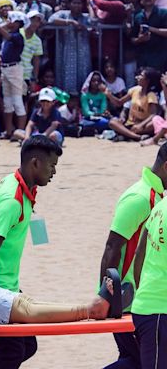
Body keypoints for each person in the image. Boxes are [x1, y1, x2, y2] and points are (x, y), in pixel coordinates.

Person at [0, 135, 63, 369]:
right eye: (51, 166)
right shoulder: (13, 198)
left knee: (27, 345)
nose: (54, 172)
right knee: (11, 351)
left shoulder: (15, 182)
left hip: (5, 282)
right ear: (35, 163)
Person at [99, 143, 167, 368]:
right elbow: (112, 247)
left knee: (134, 360)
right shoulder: (140, 197)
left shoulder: (156, 198)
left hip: (138, 298)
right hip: (128, 300)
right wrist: (106, 298)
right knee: (136, 361)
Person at [132, 179, 167, 368]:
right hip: (158, 311)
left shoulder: (160, 207)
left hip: (150, 307)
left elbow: (140, 254)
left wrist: (142, 292)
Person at [49, 0, 92, 93]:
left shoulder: (85, 17)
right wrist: (70, 22)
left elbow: (94, 21)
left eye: (79, 3)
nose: (77, 5)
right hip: (67, 51)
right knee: (67, 76)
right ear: (69, 4)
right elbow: (51, 20)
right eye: (74, 3)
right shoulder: (63, 14)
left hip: (83, 52)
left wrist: (89, 6)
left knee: (83, 74)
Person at [0, 11, 28, 138]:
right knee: (7, 102)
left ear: (18, 23)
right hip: (5, 69)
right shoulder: (7, 38)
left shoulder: (18, 36)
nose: (9, 22)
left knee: (17, 101)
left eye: (11, 20)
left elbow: (8, 37)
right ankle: (9, 131)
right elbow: (3, 50)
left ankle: (21, 132)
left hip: (14, 69)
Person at [105, 67, 161, 141]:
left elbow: (153, 114)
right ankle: (137, 137)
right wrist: (110, 95)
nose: (137, 77)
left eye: (140, 76)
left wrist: (141, 125)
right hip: (130, 124)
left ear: (147, 80)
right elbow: (119, 103)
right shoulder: (134, 90)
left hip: (143, 125)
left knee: (153, 124)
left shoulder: (151, 95)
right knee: (112, 122)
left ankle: (126, 134)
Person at [131, 0, 167, 73]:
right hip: (143, 59)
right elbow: (132, 38)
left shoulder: (164, 13)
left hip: (161, 59)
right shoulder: (137, 16)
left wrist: (150, 28)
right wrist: (140, 39)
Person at [20, 10, 44, 95]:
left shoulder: (37, 41)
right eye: (32, 20)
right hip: (12, 72)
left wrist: (34, 79)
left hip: (26, 75)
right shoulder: (18, 33)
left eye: (37, 21)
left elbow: (36, 61)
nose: (35, 23)